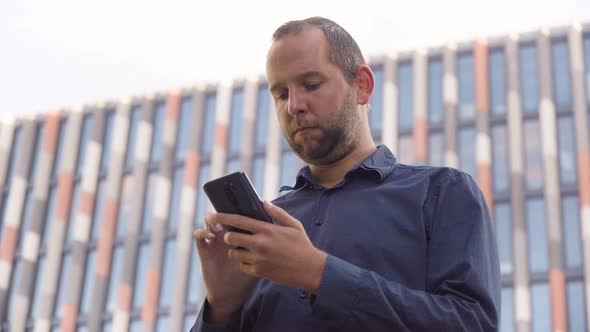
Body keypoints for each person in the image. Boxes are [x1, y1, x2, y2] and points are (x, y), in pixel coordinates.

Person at [191, 17, 500, 331]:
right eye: (281, 94)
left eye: (311, 85)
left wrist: (319, 274)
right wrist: (221, 308)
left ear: (362, 85)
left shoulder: (442, 192)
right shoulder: (267, 227)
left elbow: (472, 324)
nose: (293, 106)